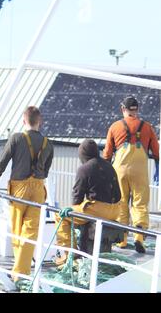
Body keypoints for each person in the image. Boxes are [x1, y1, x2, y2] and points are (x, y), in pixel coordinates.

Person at [0, 106, 54, 285]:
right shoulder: (48, 144)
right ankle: (21, 272)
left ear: (23, 121)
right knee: (30, 230)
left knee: (17, 230)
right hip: (38, 188)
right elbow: (46, 170)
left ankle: (18, 272)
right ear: (40, 121)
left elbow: (2, 163)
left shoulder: (16, 138)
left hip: (19, 189)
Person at [103, 95, 159, 253]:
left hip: (119, 170)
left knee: (121, 203)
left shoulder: (115, 127)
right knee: (140, 204)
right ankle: (139, 238)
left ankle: (122, 240)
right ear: (137, 110)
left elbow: (107, 154)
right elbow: (156, 152)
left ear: (123, 109)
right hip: (140, 170)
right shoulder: (147, 127)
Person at [54, 139, 121, 265]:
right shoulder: (109, 166)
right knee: (82, 209)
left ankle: (70, 255)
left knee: (60, 215)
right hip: (116, 210)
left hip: (98, 210)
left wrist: (74, 210)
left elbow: (77, 196)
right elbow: (118, 194)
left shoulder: (85, 168)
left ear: (82, 155)